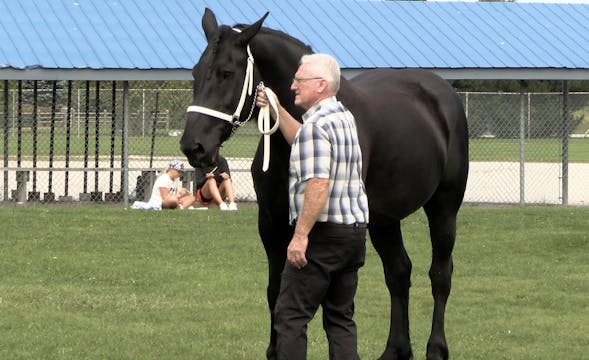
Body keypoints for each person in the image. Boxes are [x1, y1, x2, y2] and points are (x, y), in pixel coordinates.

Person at [256, 54, 369, 359]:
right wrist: (278, 109)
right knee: (340, 319)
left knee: (290, 317)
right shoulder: (342, 117)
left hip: (321, 237)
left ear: (320, 85)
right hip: (353, 234)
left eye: (300, 80)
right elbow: (302, 140)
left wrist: (301, 235)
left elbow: (318, 183)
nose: (293, 85)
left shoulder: (317, 127)